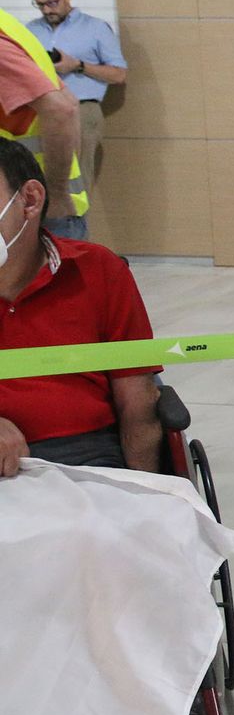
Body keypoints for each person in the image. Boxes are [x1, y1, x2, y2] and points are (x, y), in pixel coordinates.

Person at [0, 139, 159, 478]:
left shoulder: (98, 269)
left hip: (87, 459)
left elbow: (137, 399)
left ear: (29, 200)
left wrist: (146, 493)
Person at [0, 0, 88, 241]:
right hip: (31, 203)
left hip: (31, 209)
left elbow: (61, 109)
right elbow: (69, 102)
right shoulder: (11, 25)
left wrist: (58, 193)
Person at [27, 0, 127, 198]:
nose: (46, 11)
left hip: (81, 110)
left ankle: (73, 232)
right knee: (38, 180)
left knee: (75, 185)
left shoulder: (95, 28)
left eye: (52, 3)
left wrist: (77, 65)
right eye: (40, 4)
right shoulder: (30, 30)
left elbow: (119, 74)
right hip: (38, 111)